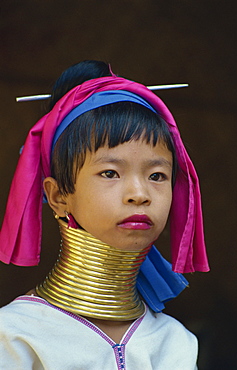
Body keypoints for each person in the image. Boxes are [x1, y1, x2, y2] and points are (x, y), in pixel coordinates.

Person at [0, 60, 209, 369]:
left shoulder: (176, 344)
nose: (139, 193)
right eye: (110, 172)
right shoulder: (15, 338)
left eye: (157, 176)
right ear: (58, 196)